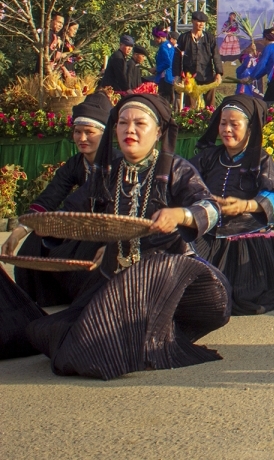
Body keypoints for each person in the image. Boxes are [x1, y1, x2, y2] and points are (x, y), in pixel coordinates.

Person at [21, 93, 230, 379]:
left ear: (158, 132)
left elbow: (211, 208)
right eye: (122, 123)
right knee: (47, 331)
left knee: (96, 342)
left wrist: (180, 215)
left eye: (139, 123)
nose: (129, 130)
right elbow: (70, 213)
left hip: (169, 280)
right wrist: (38, 227)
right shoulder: (106, 174)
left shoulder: (177, 169)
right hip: (116, 278)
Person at [191, 95, 274, 316]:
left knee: (240, 296)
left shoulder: (261, 160)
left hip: (246, 240)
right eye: (223, 123)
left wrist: (246, 206)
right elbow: (187, 182)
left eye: (234, 125)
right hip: (209, 236)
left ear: (250, 128)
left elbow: (273, 194)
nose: (227, 129)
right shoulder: (208, 157)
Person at [3, 93, 113, 306]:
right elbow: (50, 197)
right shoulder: (74, 164)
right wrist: (17, 233)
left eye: (89, 132)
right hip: (79, 227)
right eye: (77, 132)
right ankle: (41, 299)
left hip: (109, 233)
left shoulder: (116, 163)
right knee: (36, 239)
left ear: (105, 134)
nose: (82, 138)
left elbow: (81, 201)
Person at [175, 10, 222, 106]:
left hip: (207, 74)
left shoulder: (209, 37)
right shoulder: (184, 38)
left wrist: (218, 73)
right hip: (190, 76)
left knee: (210, 104)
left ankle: (210, 119)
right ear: (192, 21)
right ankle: (189, 120)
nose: (201, 24)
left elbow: (216, 55)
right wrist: (177, 75)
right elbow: (177, 57)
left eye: (203, 22)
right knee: (190, 105)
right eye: (199, 21)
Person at [153, 28, 176, 102]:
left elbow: (167, 62)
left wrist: (156, 69)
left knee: (163, 101)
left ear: (159, 37)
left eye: (155, 38)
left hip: (165, 79)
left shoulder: (163, 47)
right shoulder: (170, 45)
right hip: (171, 78)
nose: (154, 40)